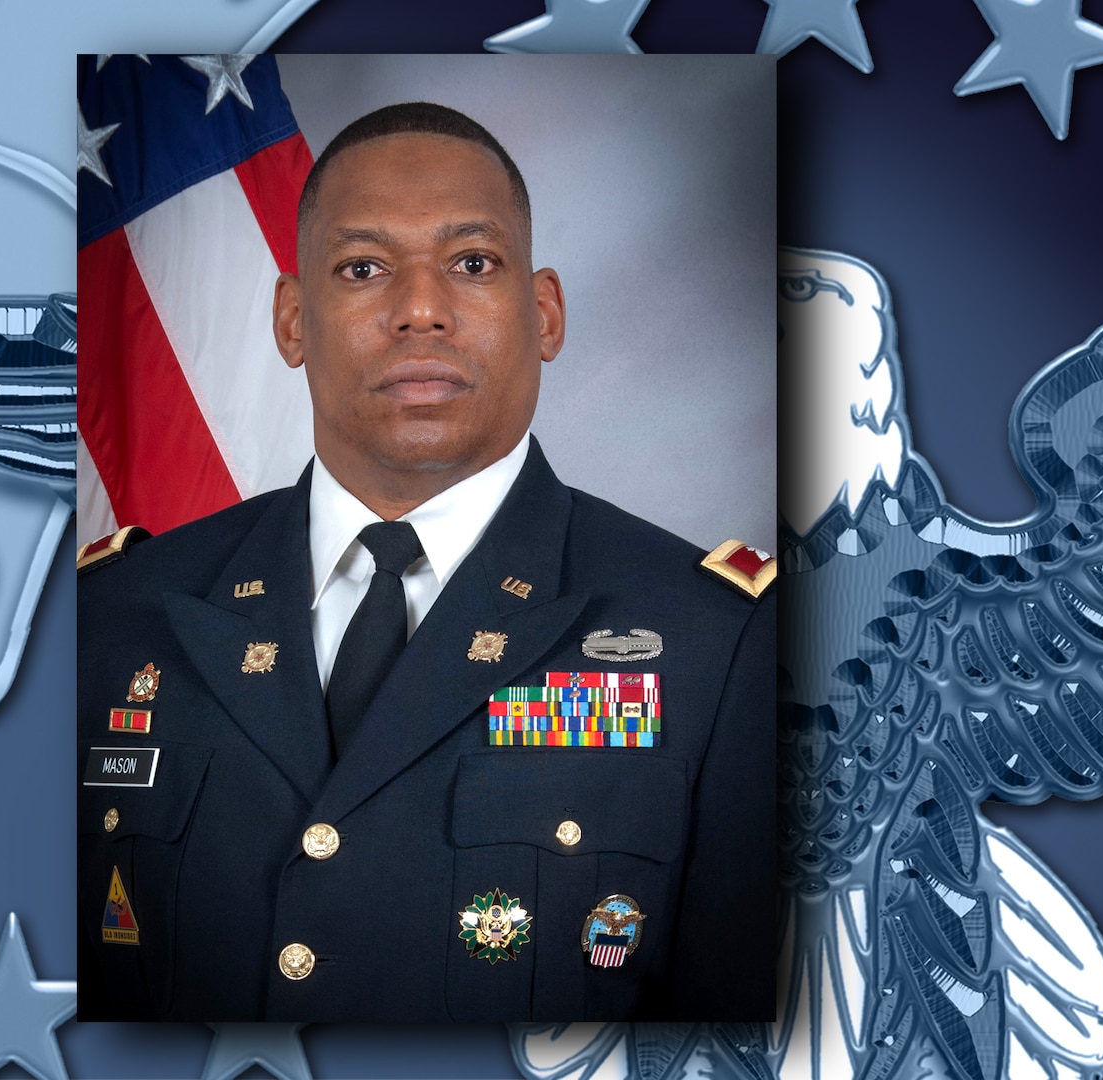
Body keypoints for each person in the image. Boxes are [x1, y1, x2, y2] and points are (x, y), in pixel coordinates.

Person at [78, 102, 775, 1022]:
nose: (419, 310)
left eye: (473, 264)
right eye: (363, 268)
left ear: (545, 315)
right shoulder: (116, 614)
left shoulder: (716, 644)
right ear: (291, 321)